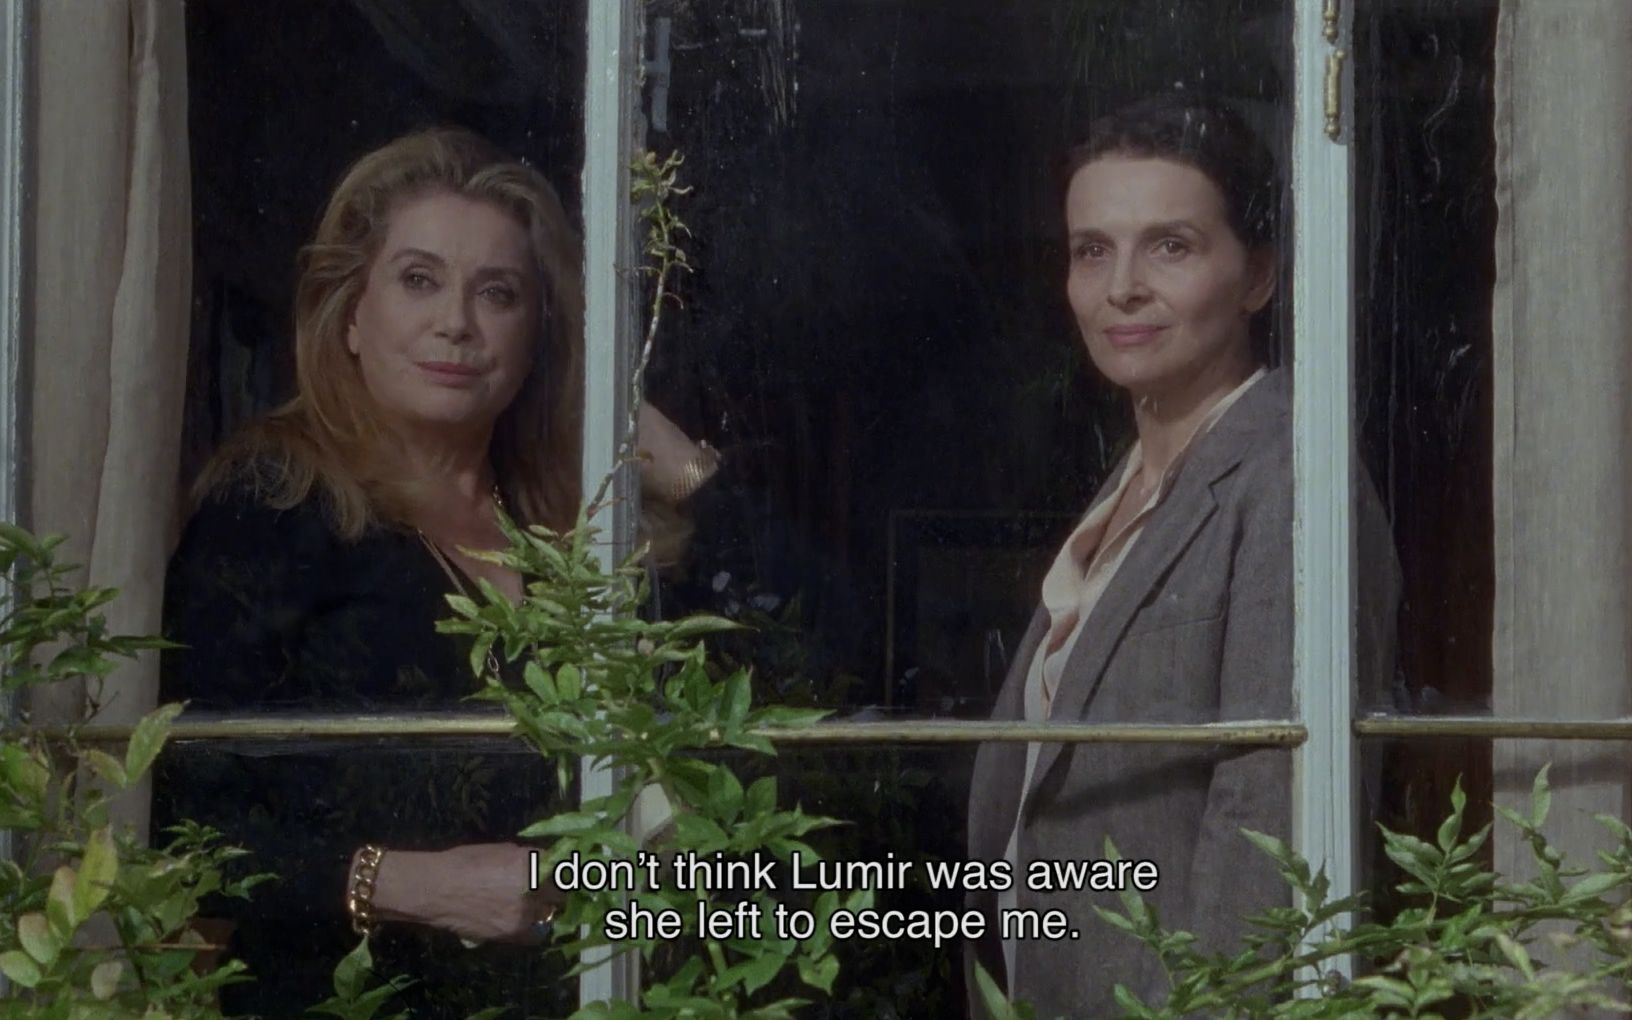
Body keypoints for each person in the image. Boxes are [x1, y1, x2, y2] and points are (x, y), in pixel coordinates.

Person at [153, 126, 719, 1017]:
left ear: (538, 334)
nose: (456, 322)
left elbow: (785, 644)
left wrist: (665, 452)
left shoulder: (568, 519)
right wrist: (410, 885)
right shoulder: (274, 504)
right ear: (350, 314)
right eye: (419, 280)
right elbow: (183, 822)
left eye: (497, 293)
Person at [964, 94, 1400, 1018]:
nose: (1122, 287)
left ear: (1258, 277)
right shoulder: (1131, 485)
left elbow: (1268, 830)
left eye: (1171, 246)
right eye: (1093, 250)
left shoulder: (1289, 478)